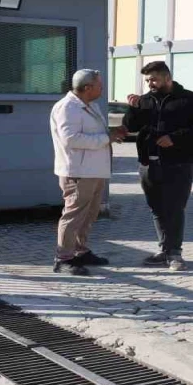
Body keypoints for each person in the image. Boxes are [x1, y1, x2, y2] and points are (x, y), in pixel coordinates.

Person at [123, 61, 193, 272]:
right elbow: (131, 126)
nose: (150, 84)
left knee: (175, 208)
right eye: (147, 80)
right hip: (148, 163)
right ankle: (164, 249)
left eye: (153, 79)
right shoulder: (144, 101)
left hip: (179, 163)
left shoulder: (190, 100)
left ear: (167, 78)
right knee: (157, 208)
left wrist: (174, 138)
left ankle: (175, 253)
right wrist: (133, 109)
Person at [50, 69, 126, 276]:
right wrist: (106, 138)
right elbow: (71, 139)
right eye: (100, 85)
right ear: (87, 88)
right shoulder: (68, 108)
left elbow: (94, 134)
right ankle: (63, 258)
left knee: (89, 214)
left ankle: (80, 251)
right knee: (73, 214)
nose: (102, 88)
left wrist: (112, 133)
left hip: (94, 170)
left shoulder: (89, 105)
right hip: (78, 171)